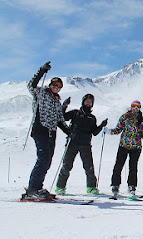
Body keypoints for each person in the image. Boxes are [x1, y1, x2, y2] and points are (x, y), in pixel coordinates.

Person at [22, 61, 70, 200]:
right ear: (50, 85)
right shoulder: (41, 93)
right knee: (42, 159)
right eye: (54, 85)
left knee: (47, 161)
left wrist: (69, 132)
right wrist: (41, 71)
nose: (56, 88)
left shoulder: (57, 101)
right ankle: (32, 189)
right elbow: (30, 85)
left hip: (51, 133)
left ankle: (38, 187)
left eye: (59, 86)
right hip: (40, 129)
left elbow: (60, 120)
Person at [55, 94, 108, 195]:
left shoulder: (92, 118)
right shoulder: (75, 113)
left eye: (90, 101)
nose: (88, 103)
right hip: (72, 143)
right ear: (83, 102)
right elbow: (62, 117)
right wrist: (64, 106)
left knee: (89, 167)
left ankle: (91, 188)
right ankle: (60, 187)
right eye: (87, 101)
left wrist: (101, 125)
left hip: (86, 145)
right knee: (67, 166)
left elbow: (94, 132)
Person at [105, 100, 143, 197]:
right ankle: (115, 185)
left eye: (138, 107)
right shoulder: (125, 117)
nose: (136, 108)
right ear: (131, 107)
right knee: (118, 165)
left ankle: (132, 186)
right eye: (134, 106)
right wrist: (110, 131)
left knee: (133, 167)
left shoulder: (141, 120)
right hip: (124, 145)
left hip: (136, 146)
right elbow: (118, 129)